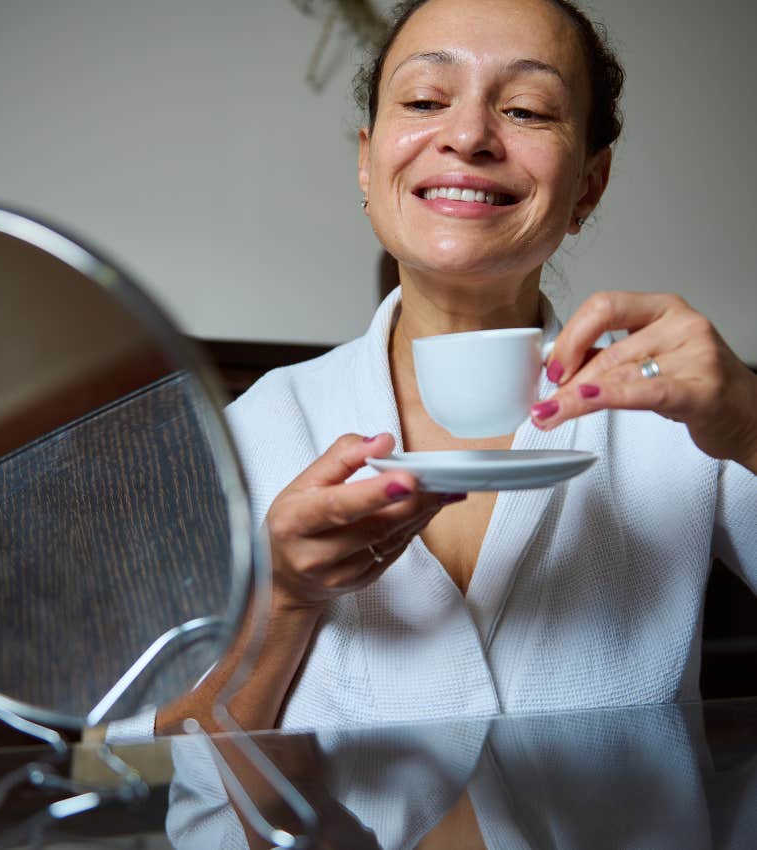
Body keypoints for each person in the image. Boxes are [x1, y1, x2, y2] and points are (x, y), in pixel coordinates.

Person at [155, 0, 757, 737]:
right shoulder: (257, 428)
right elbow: (173, 766)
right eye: (425, 100)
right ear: (367, 163)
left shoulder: (676, 419)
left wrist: (753, 429)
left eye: (529, 110)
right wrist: (282, 599)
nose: (469, 135)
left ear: (588, 187)